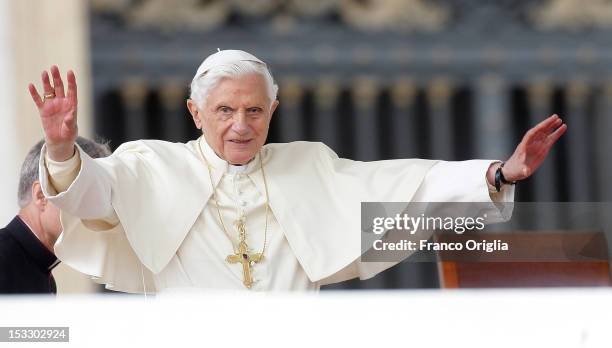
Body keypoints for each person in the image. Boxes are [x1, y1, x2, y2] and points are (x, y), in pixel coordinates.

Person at [27, 50, 567, 293]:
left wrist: (499, 174)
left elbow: (410, 191)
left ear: (272, 112)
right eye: (224, 110)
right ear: (195, 113)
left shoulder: (308, 167)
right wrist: (60, 150)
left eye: (254, 110)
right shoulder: (152, 165)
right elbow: (93, 196)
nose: (241, 125)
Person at [0, 137, 111, 294]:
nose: (95, 213)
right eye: (83, 195)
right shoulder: (6, 259)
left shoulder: (44, 275)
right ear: (41, 196)